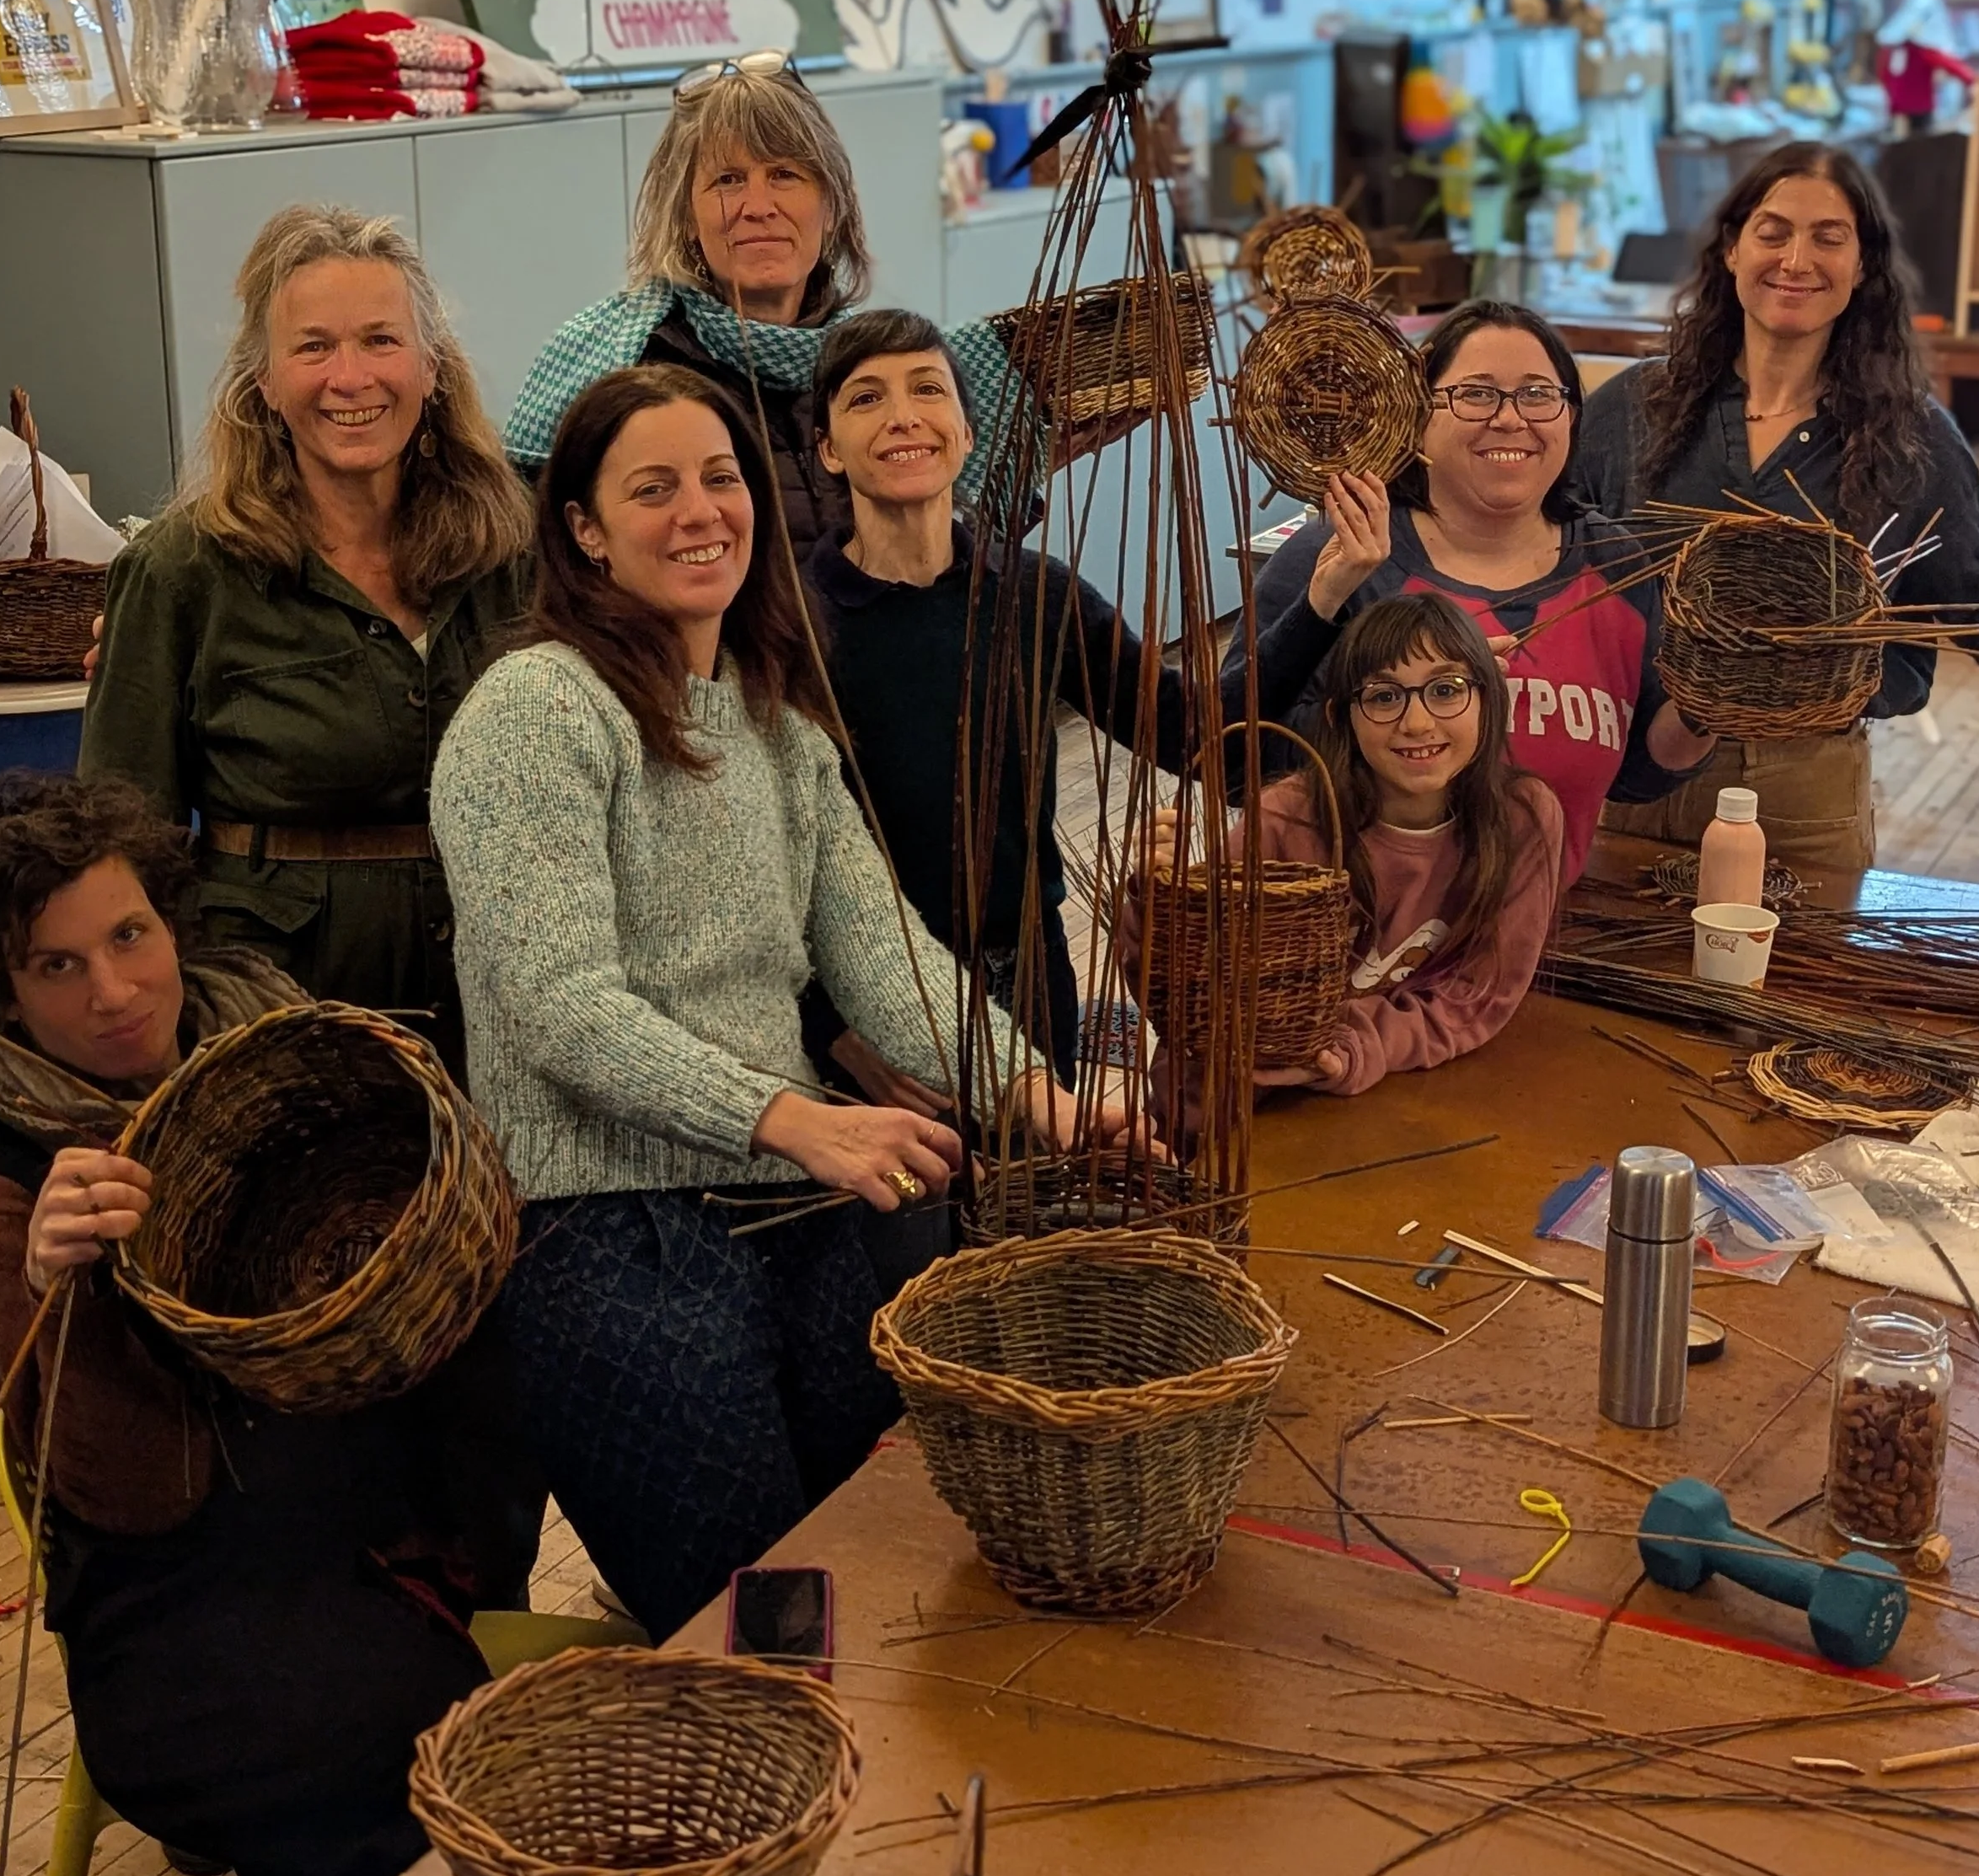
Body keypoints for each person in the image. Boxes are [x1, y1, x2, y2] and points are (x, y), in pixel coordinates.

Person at [432, 364, 1130, 1641]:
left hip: (785, 1211)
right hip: (607, 1231)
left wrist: (1049, 1098)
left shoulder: (774, 725)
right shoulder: (534, 710)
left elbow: (887, 959)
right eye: (653, 488)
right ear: (584, 530)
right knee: (763, 1624)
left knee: (869, 1555)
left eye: (721, 478)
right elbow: (556, 1005)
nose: (701, 511)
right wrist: (794, 1116)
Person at [0, 774, 486, 1876]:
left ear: (172, 919)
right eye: (56, 966)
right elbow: (119, 1488)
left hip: (372, 1542)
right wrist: (53, 1283)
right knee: (395, 1789)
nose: (113, 992)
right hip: (177, 1614)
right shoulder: (5, 1174)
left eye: (129, 935)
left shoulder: (274, 1042)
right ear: (5, 997)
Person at [78, 201, 543, 1603]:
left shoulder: (510, 538)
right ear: (264, 379)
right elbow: (119, 836)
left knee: (493, 1319)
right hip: (285, 1001)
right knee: (319, 1315)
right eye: (316, 346)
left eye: (381, 341)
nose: (353, 377)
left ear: (432, 365)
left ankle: (489, 1611)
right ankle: (339, 1637)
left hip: (497, 978)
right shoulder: (185, 568)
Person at [1575, 142, 1979, 865]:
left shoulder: (1910, 437)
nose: (1796, 260)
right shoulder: (1634, 407)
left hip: (1803, 788)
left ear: (1863, 264)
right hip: (1629, 768)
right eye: (1773, 232)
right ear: (1731, 249)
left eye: (1828, 237)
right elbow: (1548, 562)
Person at [806, 308, 1200, 1103]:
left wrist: (1321, 600)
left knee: (1037, 1181)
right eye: (866, 398)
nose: (903, 417)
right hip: (874, 998)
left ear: (967, 432)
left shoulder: (1034, 593)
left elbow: (1191, 732)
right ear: (828, 449)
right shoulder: (796, 622)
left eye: (928, 390)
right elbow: (766, 861)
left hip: (1029, 975)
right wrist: (832, 1032)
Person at [1240, 300, 1715, 882]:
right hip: (1349, 927)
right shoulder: (1341, 557)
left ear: (1571, 417)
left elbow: (1638, 774)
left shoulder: (1619, 564)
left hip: (1534, 929)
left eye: (1538, 394)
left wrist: (1707, 707)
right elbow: (1239, 757)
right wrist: (1409, 700)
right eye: (1476, 394)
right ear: (1416, 412)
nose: (1510, 419)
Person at [503, 53, 1033, 544]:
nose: (758, 206)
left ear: (832, 208)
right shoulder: (622, 367)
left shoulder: (872, 366)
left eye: (784, 175)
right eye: (728, 180)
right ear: (686, 217)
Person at [1136, 598, 1562, 1117]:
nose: (1417, 722)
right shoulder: (1284, 821)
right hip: (1231, 1108)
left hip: (1369, 1098)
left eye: (1446, 689)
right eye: (1383, 697)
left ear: (1489, 698)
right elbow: (1182, 986)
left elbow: (1480, 994)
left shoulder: (1522, 818)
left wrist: (1353, 1046)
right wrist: (1156, 902)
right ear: (1341, 717)